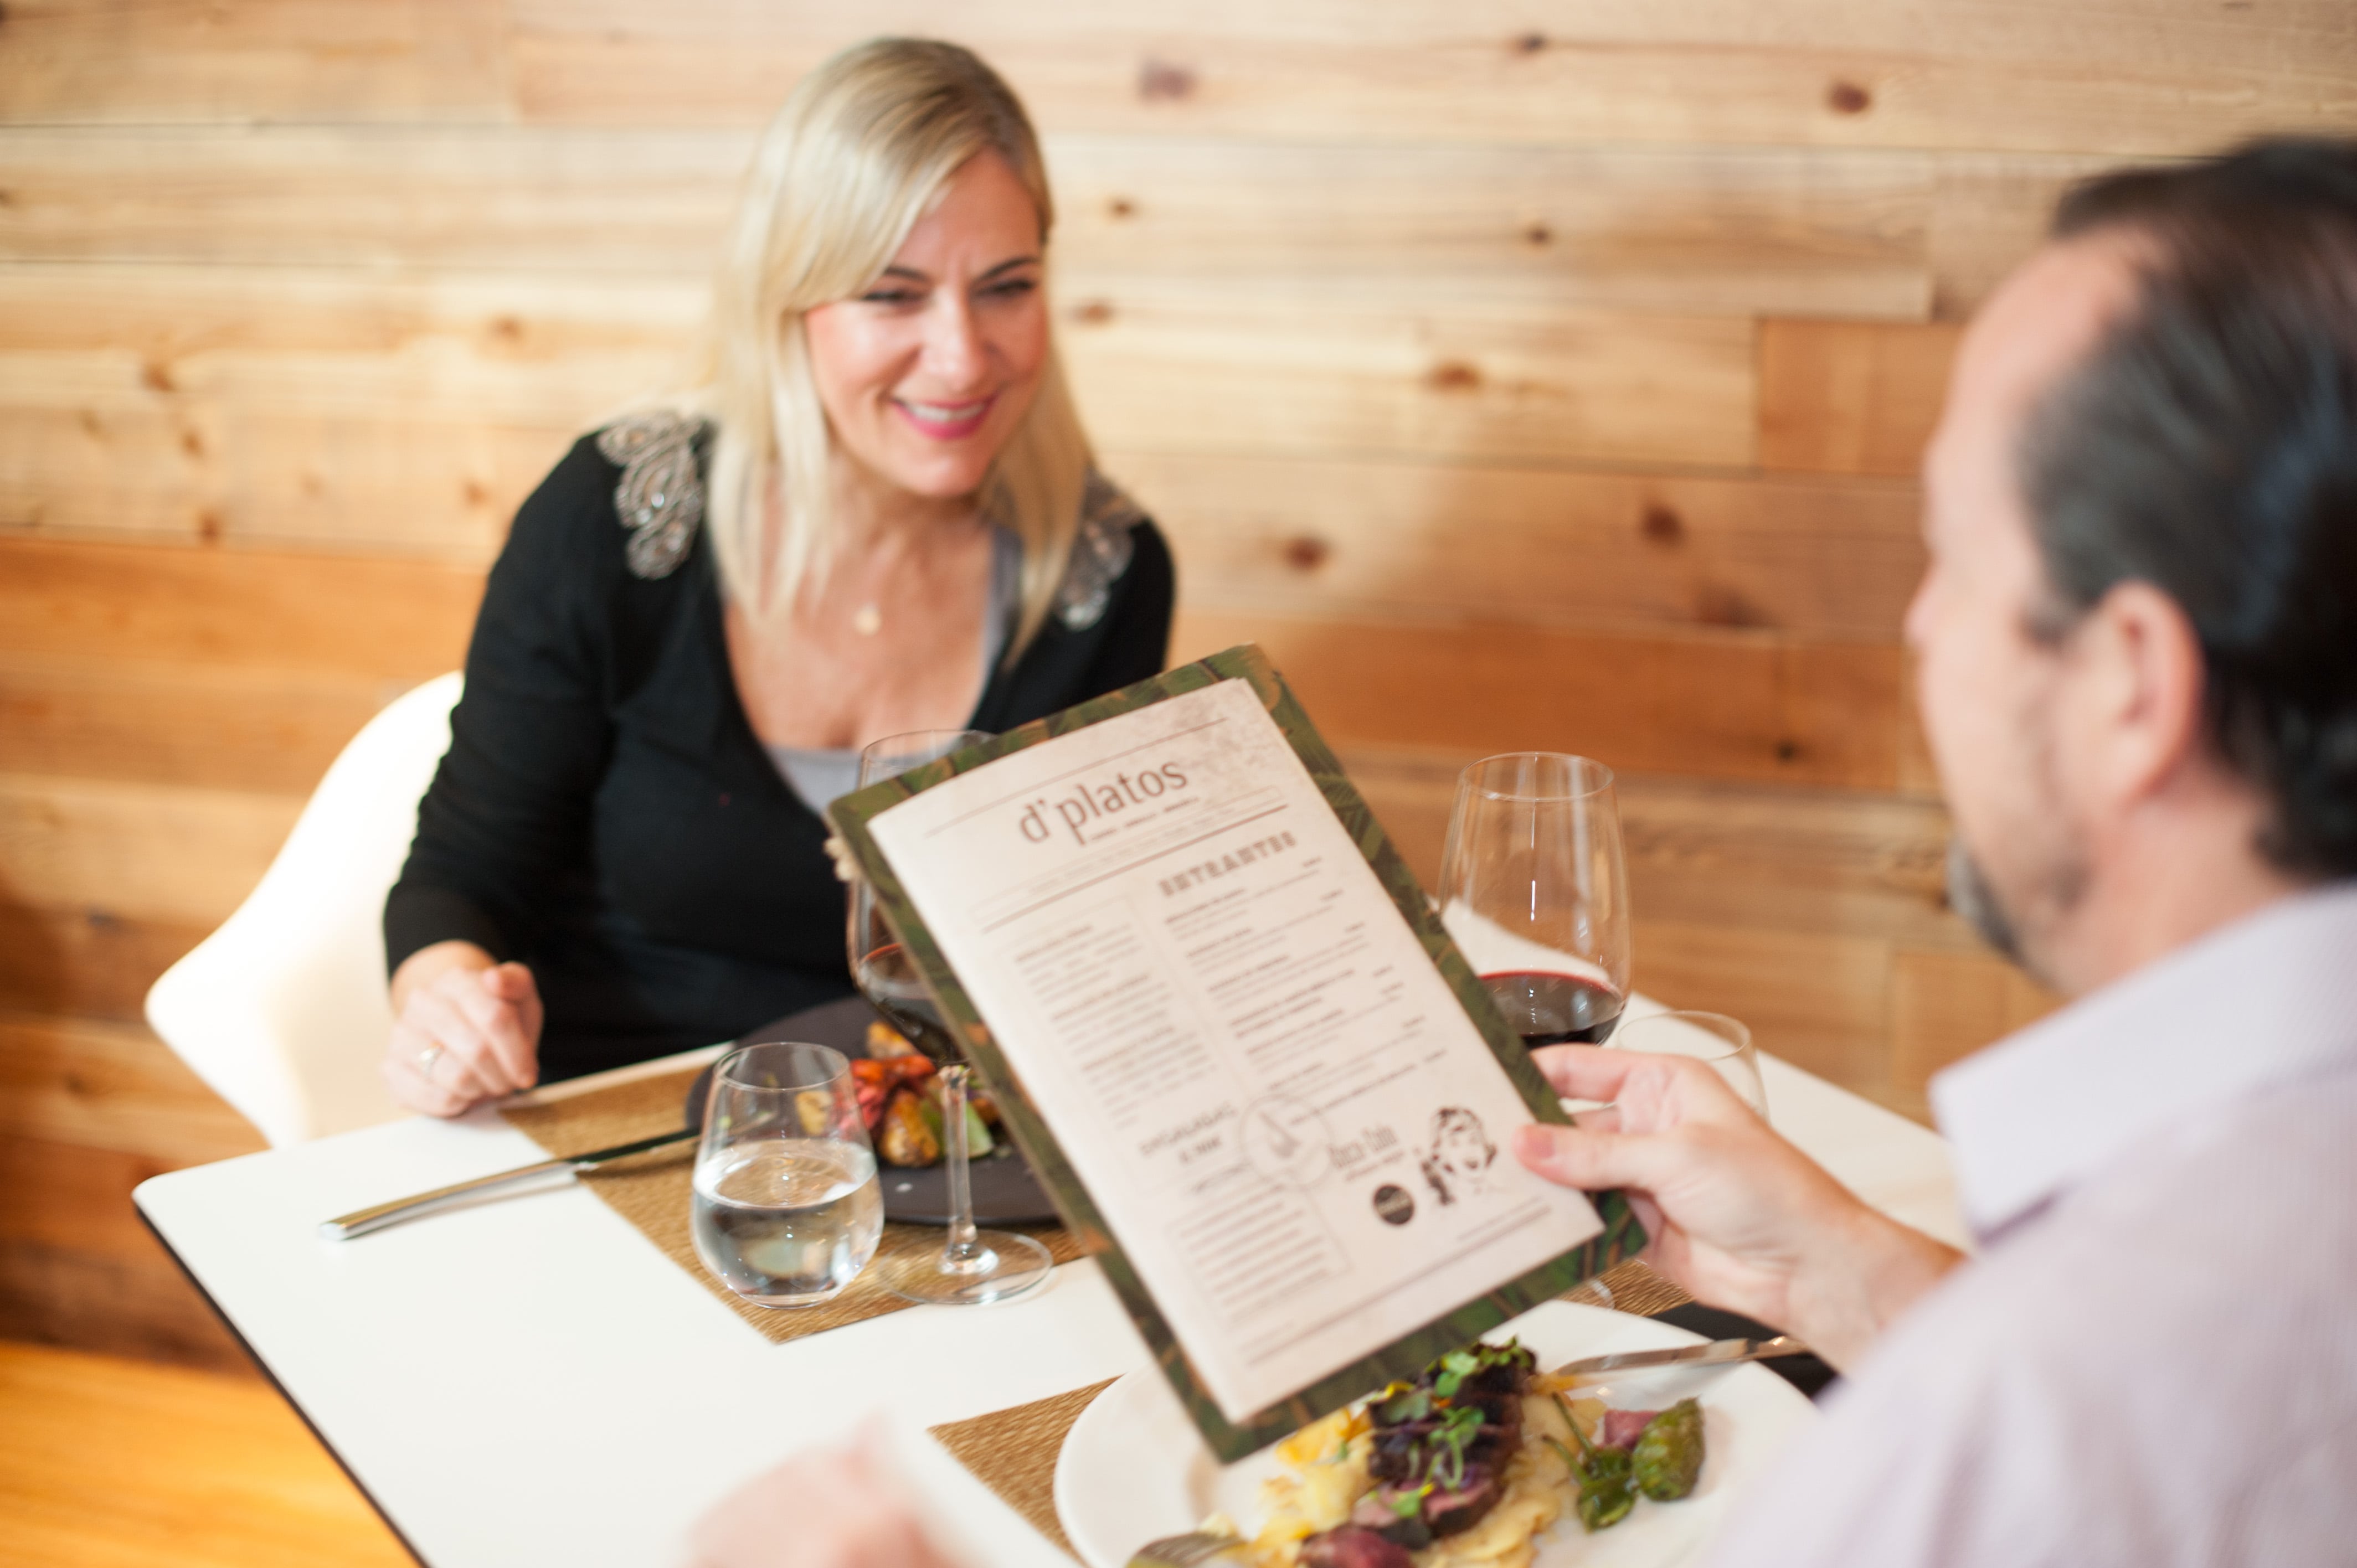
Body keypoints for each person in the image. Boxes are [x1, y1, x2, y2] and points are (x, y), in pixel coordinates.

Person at [689, 136, 2357, 1568]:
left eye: (1954, 561)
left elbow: (2080, 1407)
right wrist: (1848, 1269)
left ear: (2135, 684)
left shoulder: (2039, 1421)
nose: (1921, 632)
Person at [380, 39, 1174, 1115]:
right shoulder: (617, 517)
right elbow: (462, 874)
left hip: (941, 1158)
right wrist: (449, 1003)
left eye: (1006, 288)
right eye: (892, 296)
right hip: (614, 1127)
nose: (962, 357)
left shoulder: (1105, 575)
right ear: (788, 303)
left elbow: (1083, 943)